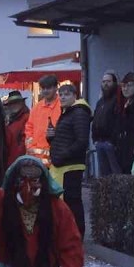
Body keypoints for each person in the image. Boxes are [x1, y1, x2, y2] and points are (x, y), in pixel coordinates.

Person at [47, 82, 91, 233]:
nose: (63, 97)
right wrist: (51, 139)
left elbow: (81, 141)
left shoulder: (79, 113)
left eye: (67, 94)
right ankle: (69, 233)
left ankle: (77, 233)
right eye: (61, 94)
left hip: (71, 166)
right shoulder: (68, 112)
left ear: (75, 96)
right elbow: (66, 139)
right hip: (63, 165)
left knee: (72, 202)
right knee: (67, 202)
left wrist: (62, 155)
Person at [23, 75, 61, 168]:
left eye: (48, 88)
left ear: (56, 88)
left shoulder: (62, 106)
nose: (45, 91)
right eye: (43, 88)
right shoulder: (36, 107)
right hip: (37, 161)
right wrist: (31, 147)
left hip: (56, 159)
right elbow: (29, 128)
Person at [89, 71, 121, 177]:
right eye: (103, 82)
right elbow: (96, 119)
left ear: (114, 83)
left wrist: (113, 141)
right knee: (104, 174)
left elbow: (118, 122)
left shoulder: (117, 100)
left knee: (115, 173)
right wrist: (95, 139)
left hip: (110, 143)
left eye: (108, 81)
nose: (105, 84)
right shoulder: (100, 102)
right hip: (100, 142)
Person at [113, 73, 134, 175]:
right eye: (123, 86)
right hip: (123, 148)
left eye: (129, 85)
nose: (125, 89)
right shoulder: (123, 104)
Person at [2, 90, 30, 167]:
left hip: (19, 162)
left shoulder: (27, 118)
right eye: (11, 104)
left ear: (22, 103)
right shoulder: (12, 120)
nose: (13, 105)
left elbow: (24, 142)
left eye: (16, 102)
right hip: (11, 161)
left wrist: (17, 160)